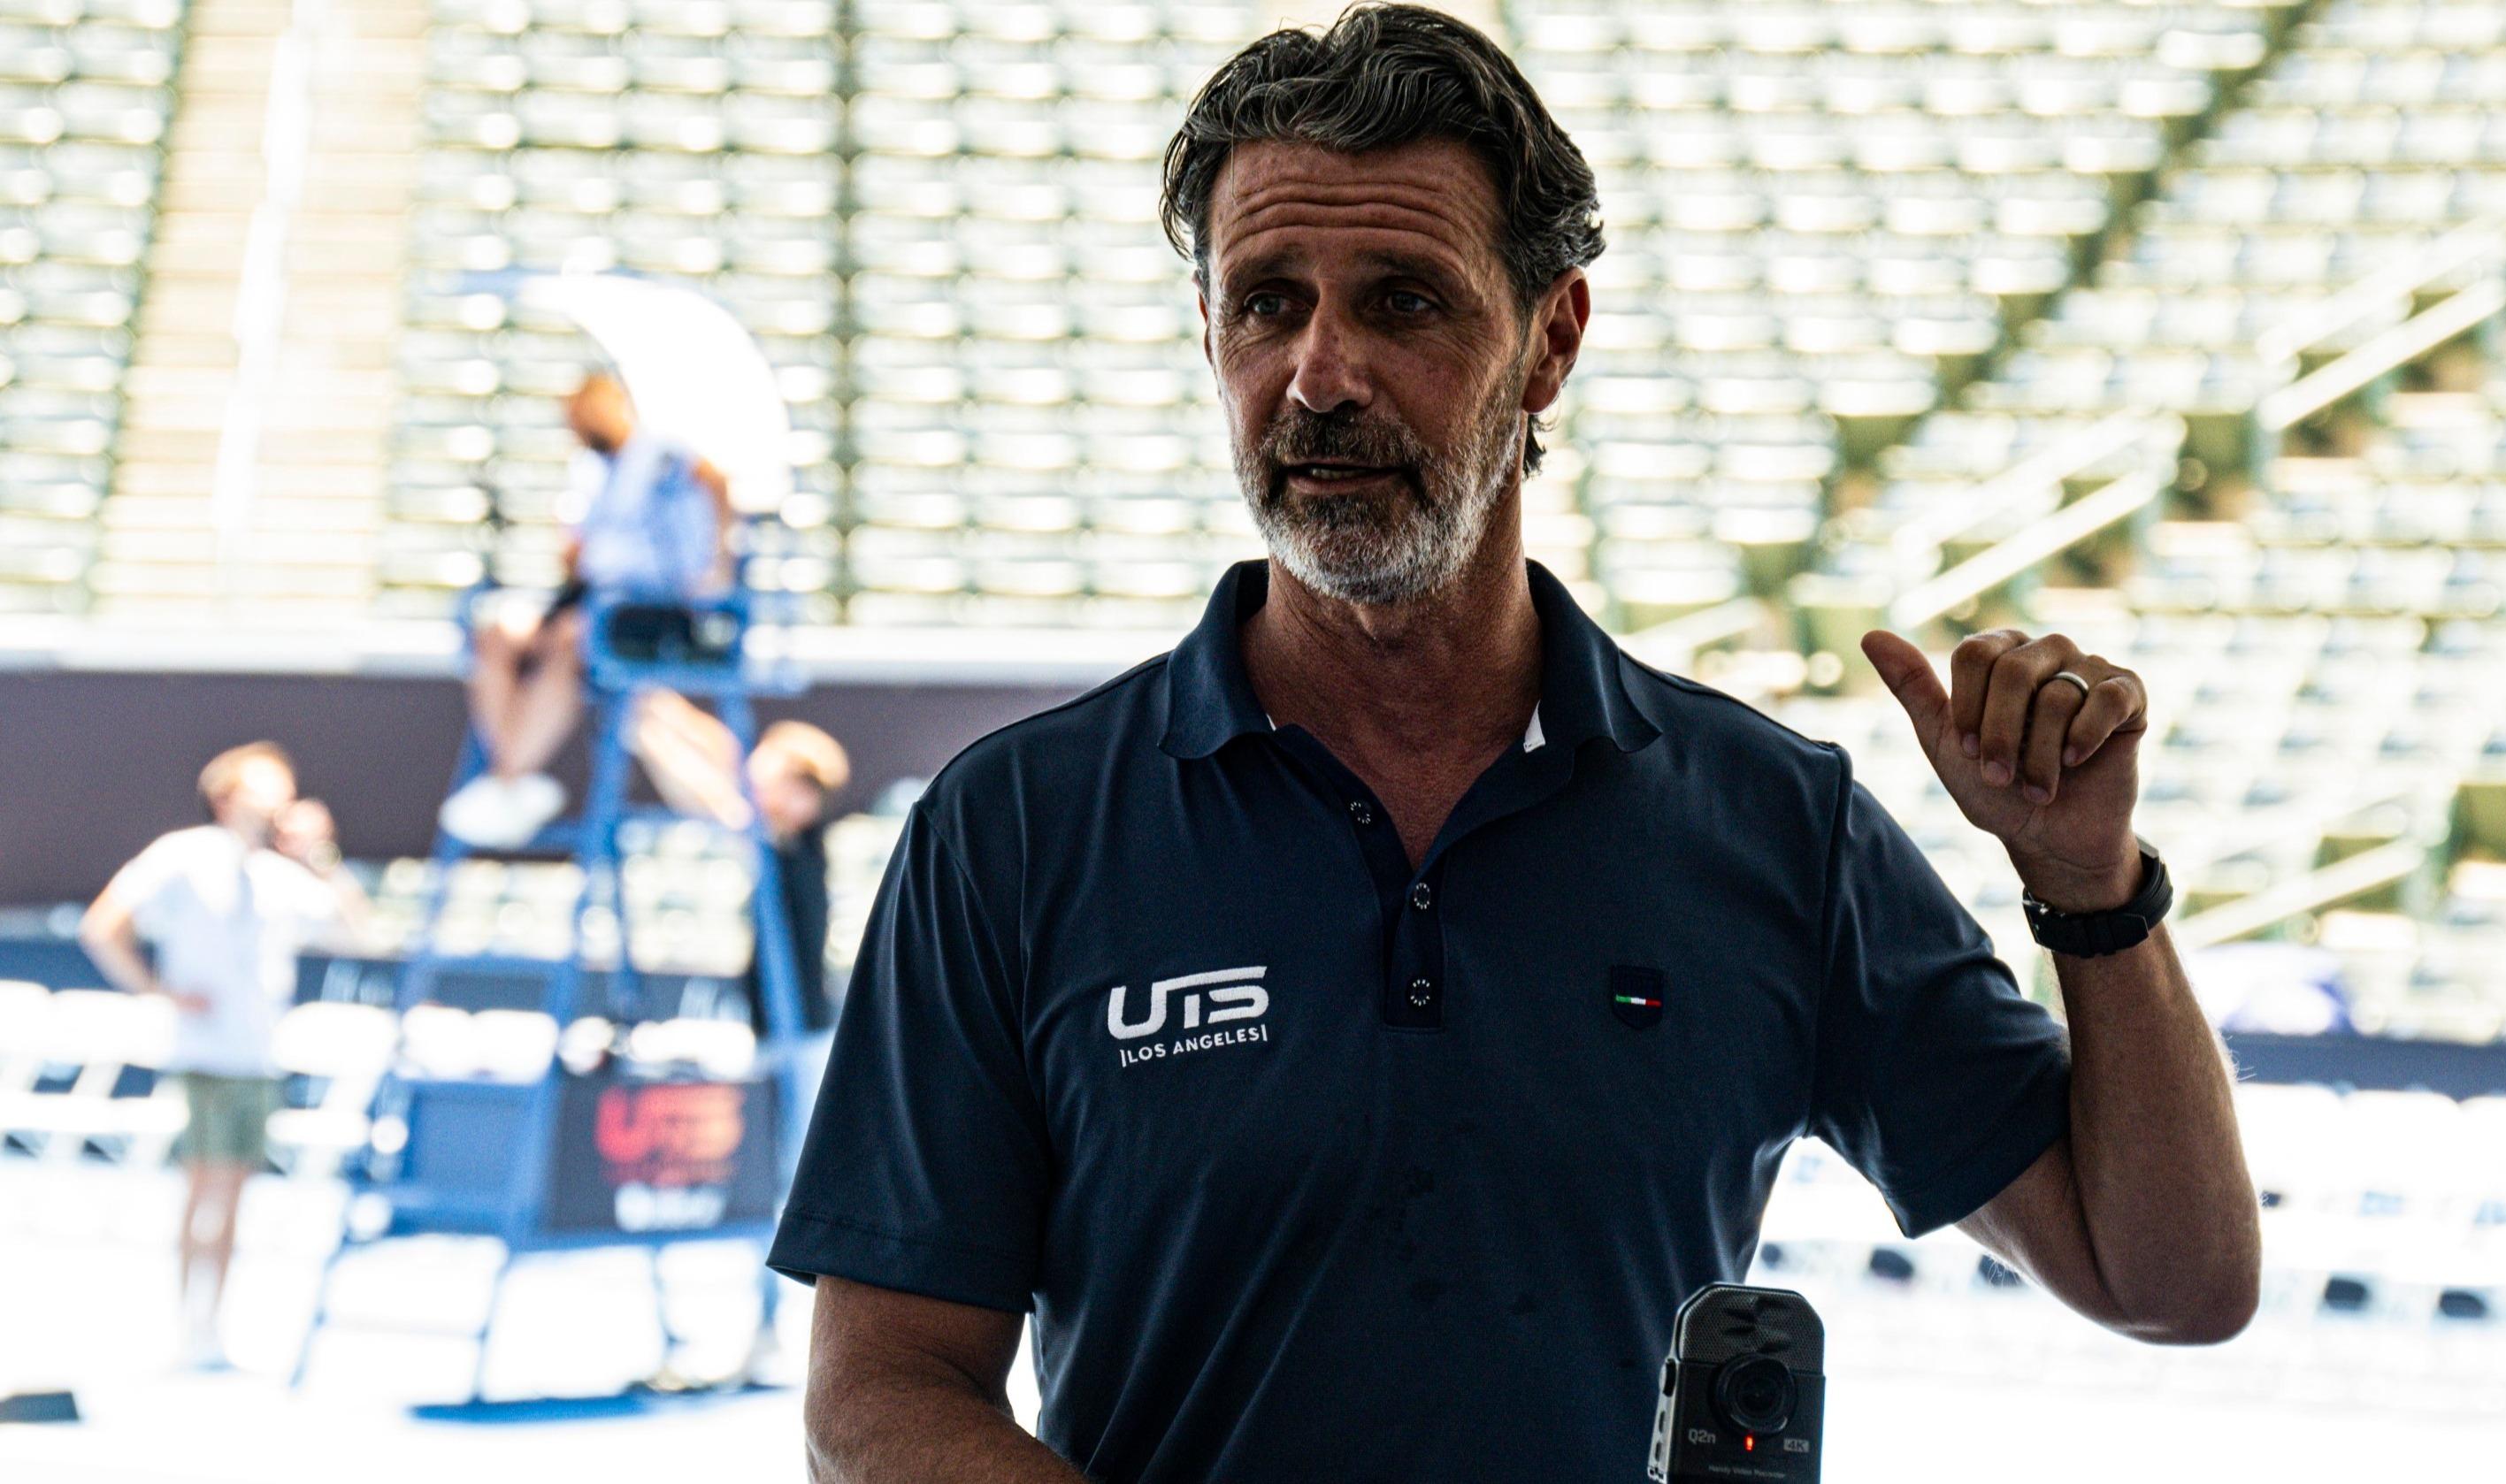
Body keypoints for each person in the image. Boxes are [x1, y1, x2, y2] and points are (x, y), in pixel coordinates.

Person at [773, 8, 2261, 1481]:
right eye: (1266, 300)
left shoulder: (1768, 823)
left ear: (1548, 341)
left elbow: (2167, 1278)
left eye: (1403, 300)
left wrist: (2088, 885)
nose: (1318, 373)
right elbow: (879, 1388)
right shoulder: (1016, 830)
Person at [76, 742, 370, 1370]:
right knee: (203, 1187)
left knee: (235, 1194)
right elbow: (103, 925)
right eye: (269, 786)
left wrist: (324, 856)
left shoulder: (280, 874)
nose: (281, 799)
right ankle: (190, 1324)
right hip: (204, 1054)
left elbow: (358, 932)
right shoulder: (182, 856)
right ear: (227, 795)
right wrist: (160, 992)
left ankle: (215, 1327)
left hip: (258, 1056)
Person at [441, 371, 737, 849]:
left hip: (650, 608)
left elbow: (715, 480)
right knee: (499, 633)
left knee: (575, 638)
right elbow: (579, 552)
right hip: (588, 598)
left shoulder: (660, 453)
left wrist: (717, 565)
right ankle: (511, 772)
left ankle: (508, 777)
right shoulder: (591, 472)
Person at [628, 691, 850, 1039]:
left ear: (801, 794)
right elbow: (723, 750)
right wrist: (656, 704)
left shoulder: (793, 841)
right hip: (778, 1023)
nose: (753, 779)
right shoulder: (785, 829)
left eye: (768, 771)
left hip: (799, 1033)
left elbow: (712, 799)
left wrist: (641, 733)